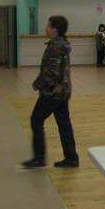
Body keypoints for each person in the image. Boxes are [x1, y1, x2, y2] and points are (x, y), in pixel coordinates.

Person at [22, 16, 79, 169]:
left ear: (55, 29)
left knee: (36, 119)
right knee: (64, 124)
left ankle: (39, 158)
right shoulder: (61, 44)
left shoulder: (56, 47)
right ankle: (71, 158)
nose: (46, 28)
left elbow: (52, 73)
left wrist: (38, 83)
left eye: (48, 26)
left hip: (53, 92)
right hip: (62, 91)